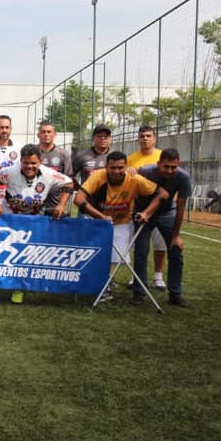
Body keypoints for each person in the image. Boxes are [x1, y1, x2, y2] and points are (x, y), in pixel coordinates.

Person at [0, 143, 74, 304]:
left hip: (35, 220)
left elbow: (69, 184)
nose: (29, 166)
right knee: (7, 254)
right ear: (21, 161)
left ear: (40, 161)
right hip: (11, 218)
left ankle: (19, 288)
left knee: (25, 255)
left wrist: (61, 205)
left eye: (33, 163)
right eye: (26, 163)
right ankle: (7, 284)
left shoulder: (50, 174)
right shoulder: (10, 171)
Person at [75, 151, 161, 302]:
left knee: (114, 257)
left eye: (120, 168)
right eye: (112, 168)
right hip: (97, 219)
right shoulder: (98, 176)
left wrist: (147, 212)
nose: (116, 171)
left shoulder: (135, 179)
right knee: (94, 254)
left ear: (126, 166)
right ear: (106, 167)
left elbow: (162, 194)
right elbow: (78, 199)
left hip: (121, 222)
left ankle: (104, 285)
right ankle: (99, 285)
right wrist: (101, 217)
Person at [131, 148, 193, 308]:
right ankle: (139, 291)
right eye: (166, 167)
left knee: (176, 250)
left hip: (167, 213)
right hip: (143, 213)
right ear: (159, 164)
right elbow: (131, 185)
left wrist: (176, 235)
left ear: (178, 164)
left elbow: (180, 208)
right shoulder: (145, 171)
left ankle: (175, 293)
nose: (170, 170)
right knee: (141, 251)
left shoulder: (183, 177)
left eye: (174, 167)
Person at [127, 125, 166, 290]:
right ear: (138, 138)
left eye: (148, 135)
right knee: (139, 245)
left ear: (155, 138)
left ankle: (158, 276)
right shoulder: (131, 159)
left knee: (160, 244)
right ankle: (135, 276)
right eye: (142, 135)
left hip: (160, 207)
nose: (145, 138)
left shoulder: (161, 156)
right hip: (139, 207)